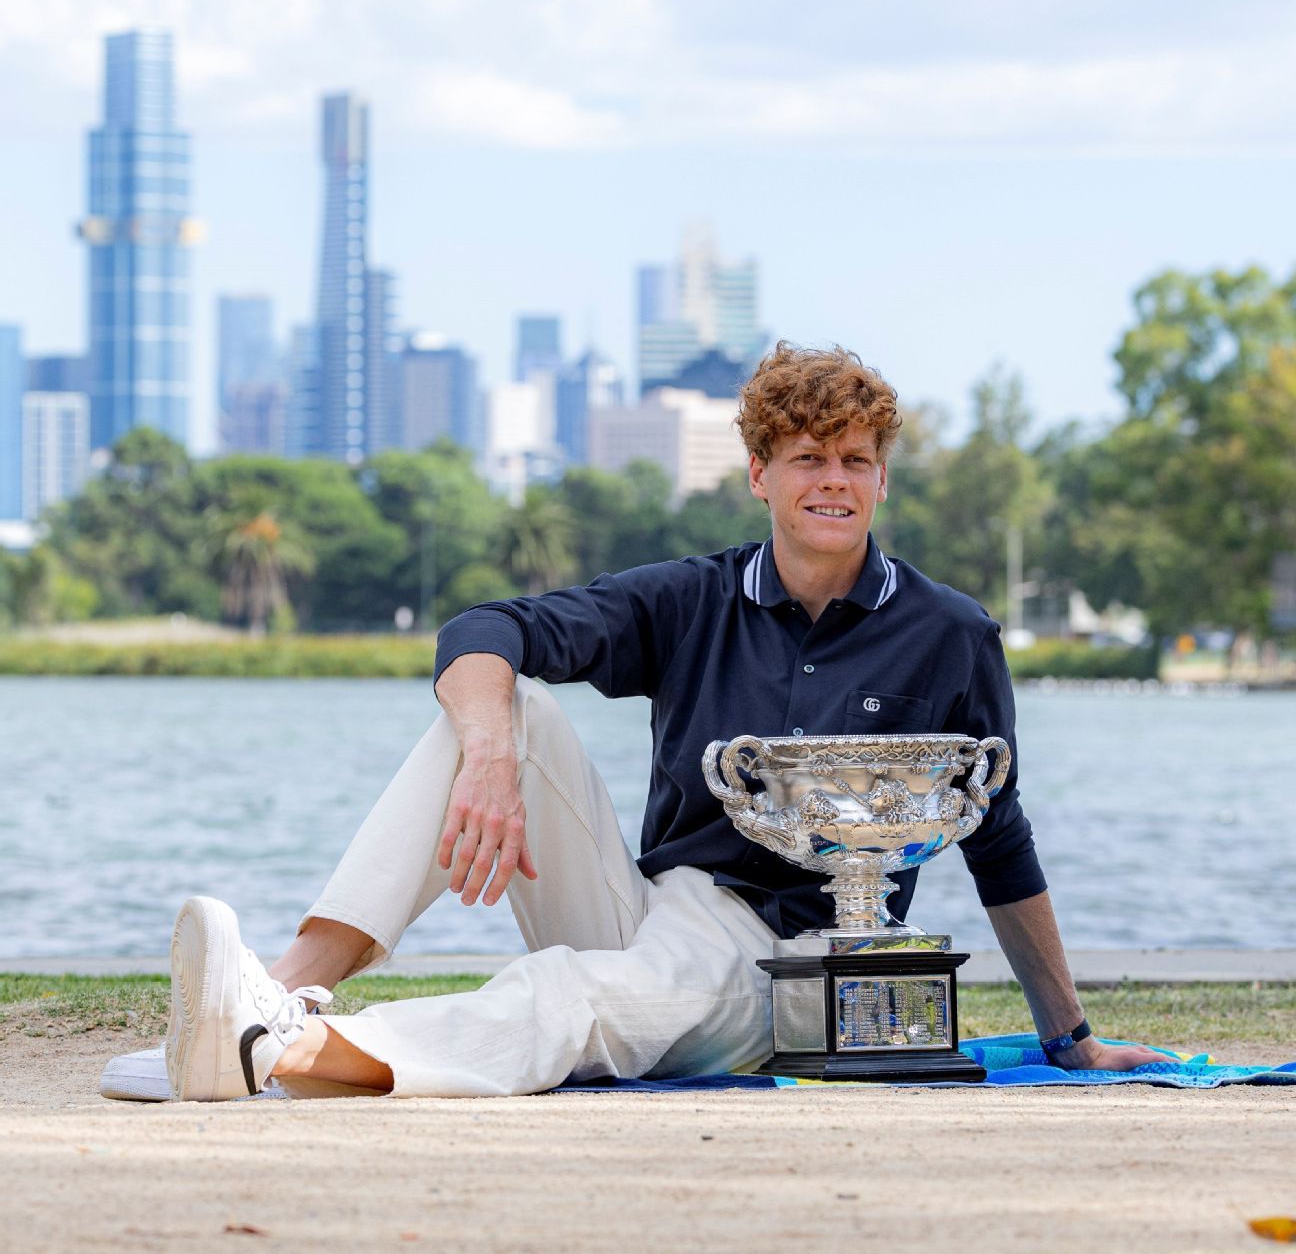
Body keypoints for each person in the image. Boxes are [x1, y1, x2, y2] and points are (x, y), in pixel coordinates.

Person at [102, 342, 1167, 1103]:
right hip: (652, 904)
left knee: (572, 996)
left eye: (853, 460)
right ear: (760, 474)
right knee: (503, 696)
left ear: (881, 478)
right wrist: (489, 758)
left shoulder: (951, 634)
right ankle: (270, 995)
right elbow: (486, 626)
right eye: (807, 457)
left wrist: (1066, 1034)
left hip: (785, 957)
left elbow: (1000, 832)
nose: (831, 480)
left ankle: (277, 1051)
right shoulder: (692, 598)